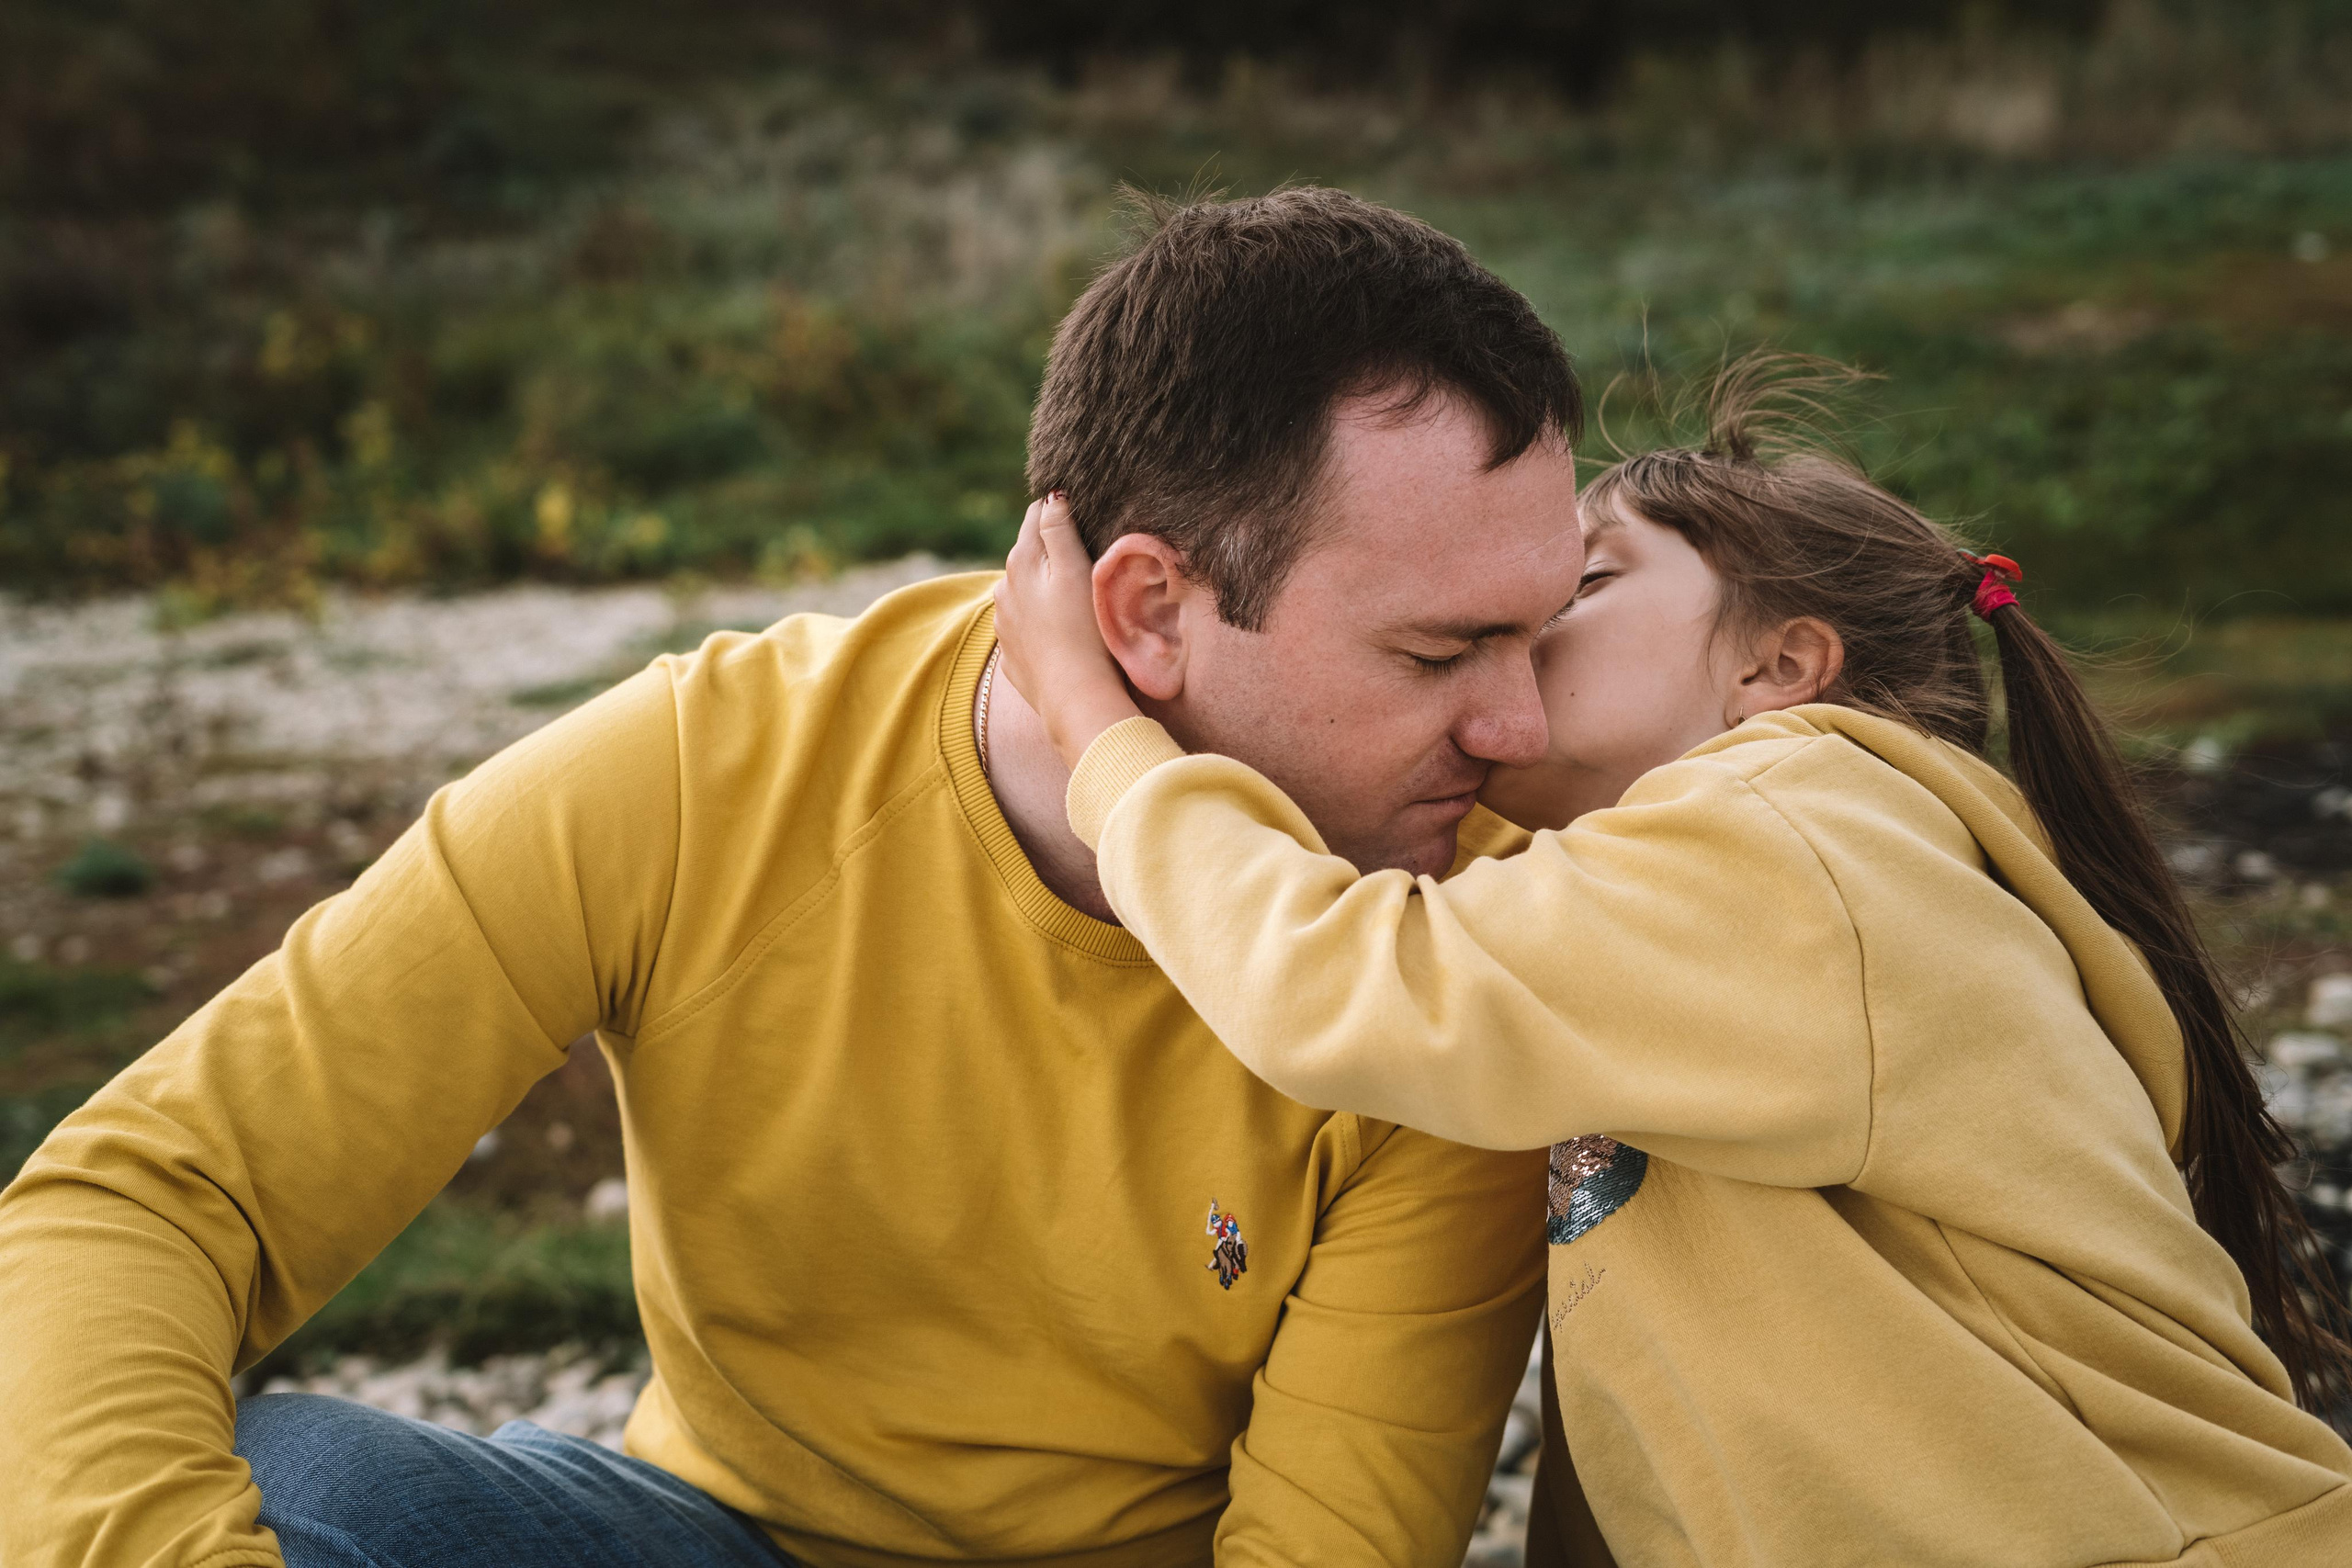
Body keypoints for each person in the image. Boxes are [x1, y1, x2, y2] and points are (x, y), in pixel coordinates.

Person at [0, 187, 1587, 1568]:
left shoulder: (1466, 940)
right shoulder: (706, 772)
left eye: (1544, 632)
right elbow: (141, 1198)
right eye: (1442, 652)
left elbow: (1325, 1550)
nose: (1516, 730)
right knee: (300, 1486)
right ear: (1147, 612)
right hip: (694, 1540)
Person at [992, 355, 2352, 1566]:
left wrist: (1099, 727)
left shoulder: (1802, 832)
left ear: (1779, 664)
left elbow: (1336, 985)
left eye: (1581, 587)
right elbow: (1663, 1428)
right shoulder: (1667, 916)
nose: (1517, 641)